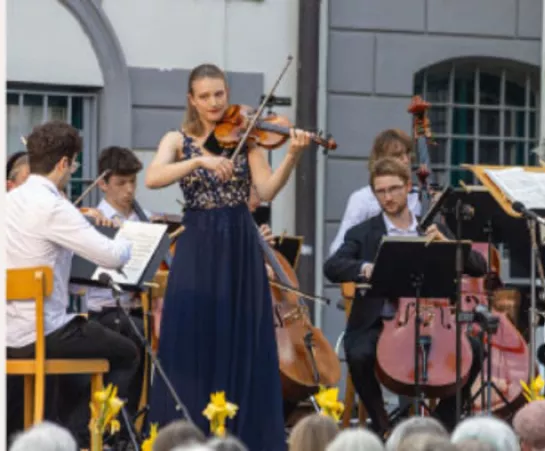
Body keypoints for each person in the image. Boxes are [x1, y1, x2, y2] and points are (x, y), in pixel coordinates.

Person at [144, 63, 311, 450]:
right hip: (198, 245)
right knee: (192, 339)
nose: (214, 102)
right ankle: (185, 440)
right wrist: (201, 160)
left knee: (243, 341)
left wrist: (293, 157)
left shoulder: (248, 138)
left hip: (239, 246)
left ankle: (244, 441)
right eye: (204, 96)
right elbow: (153, 177)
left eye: (219, 93)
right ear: (192, 100)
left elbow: (266, 191)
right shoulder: (177, 138)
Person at [324, 157, 487, 437]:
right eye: (381, 191)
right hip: (380, 318)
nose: (387, 197)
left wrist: (448, 244)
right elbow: (332, 267)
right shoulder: (363, 233)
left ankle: (437, 426)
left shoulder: (431, 227)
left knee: (473, 350)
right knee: (358, 352)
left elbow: (478, 266)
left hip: (432, 318)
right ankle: (384, 427)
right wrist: (366, 268)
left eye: (394, 189)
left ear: (408, 187)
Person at [6, 121, 138, 446]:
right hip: (40, 333)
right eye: (74, 163)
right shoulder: (55, 207)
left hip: (4, 333)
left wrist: (80, 225)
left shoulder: (6, 202)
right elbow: (111, 257)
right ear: (63, 163)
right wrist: (125, 236)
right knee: (127, 352)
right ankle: (80, 436)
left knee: (89, 344)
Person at [81, 146, 153, 416]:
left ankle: (138, 421)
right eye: (121, 183)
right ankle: (116, 426)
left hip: (137, 307)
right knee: (135, 333)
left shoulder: (143, 217)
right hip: (103, 309)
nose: (129, 190)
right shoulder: (92, 220)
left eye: (133, 182)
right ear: (102, 184)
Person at [328, 129, 422, 256]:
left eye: (407, 154)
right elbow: (338, 249)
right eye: (397, 155)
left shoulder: (418, 197)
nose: (405, 160)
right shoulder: (362, 199)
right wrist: (364, 268)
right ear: (382, 159)